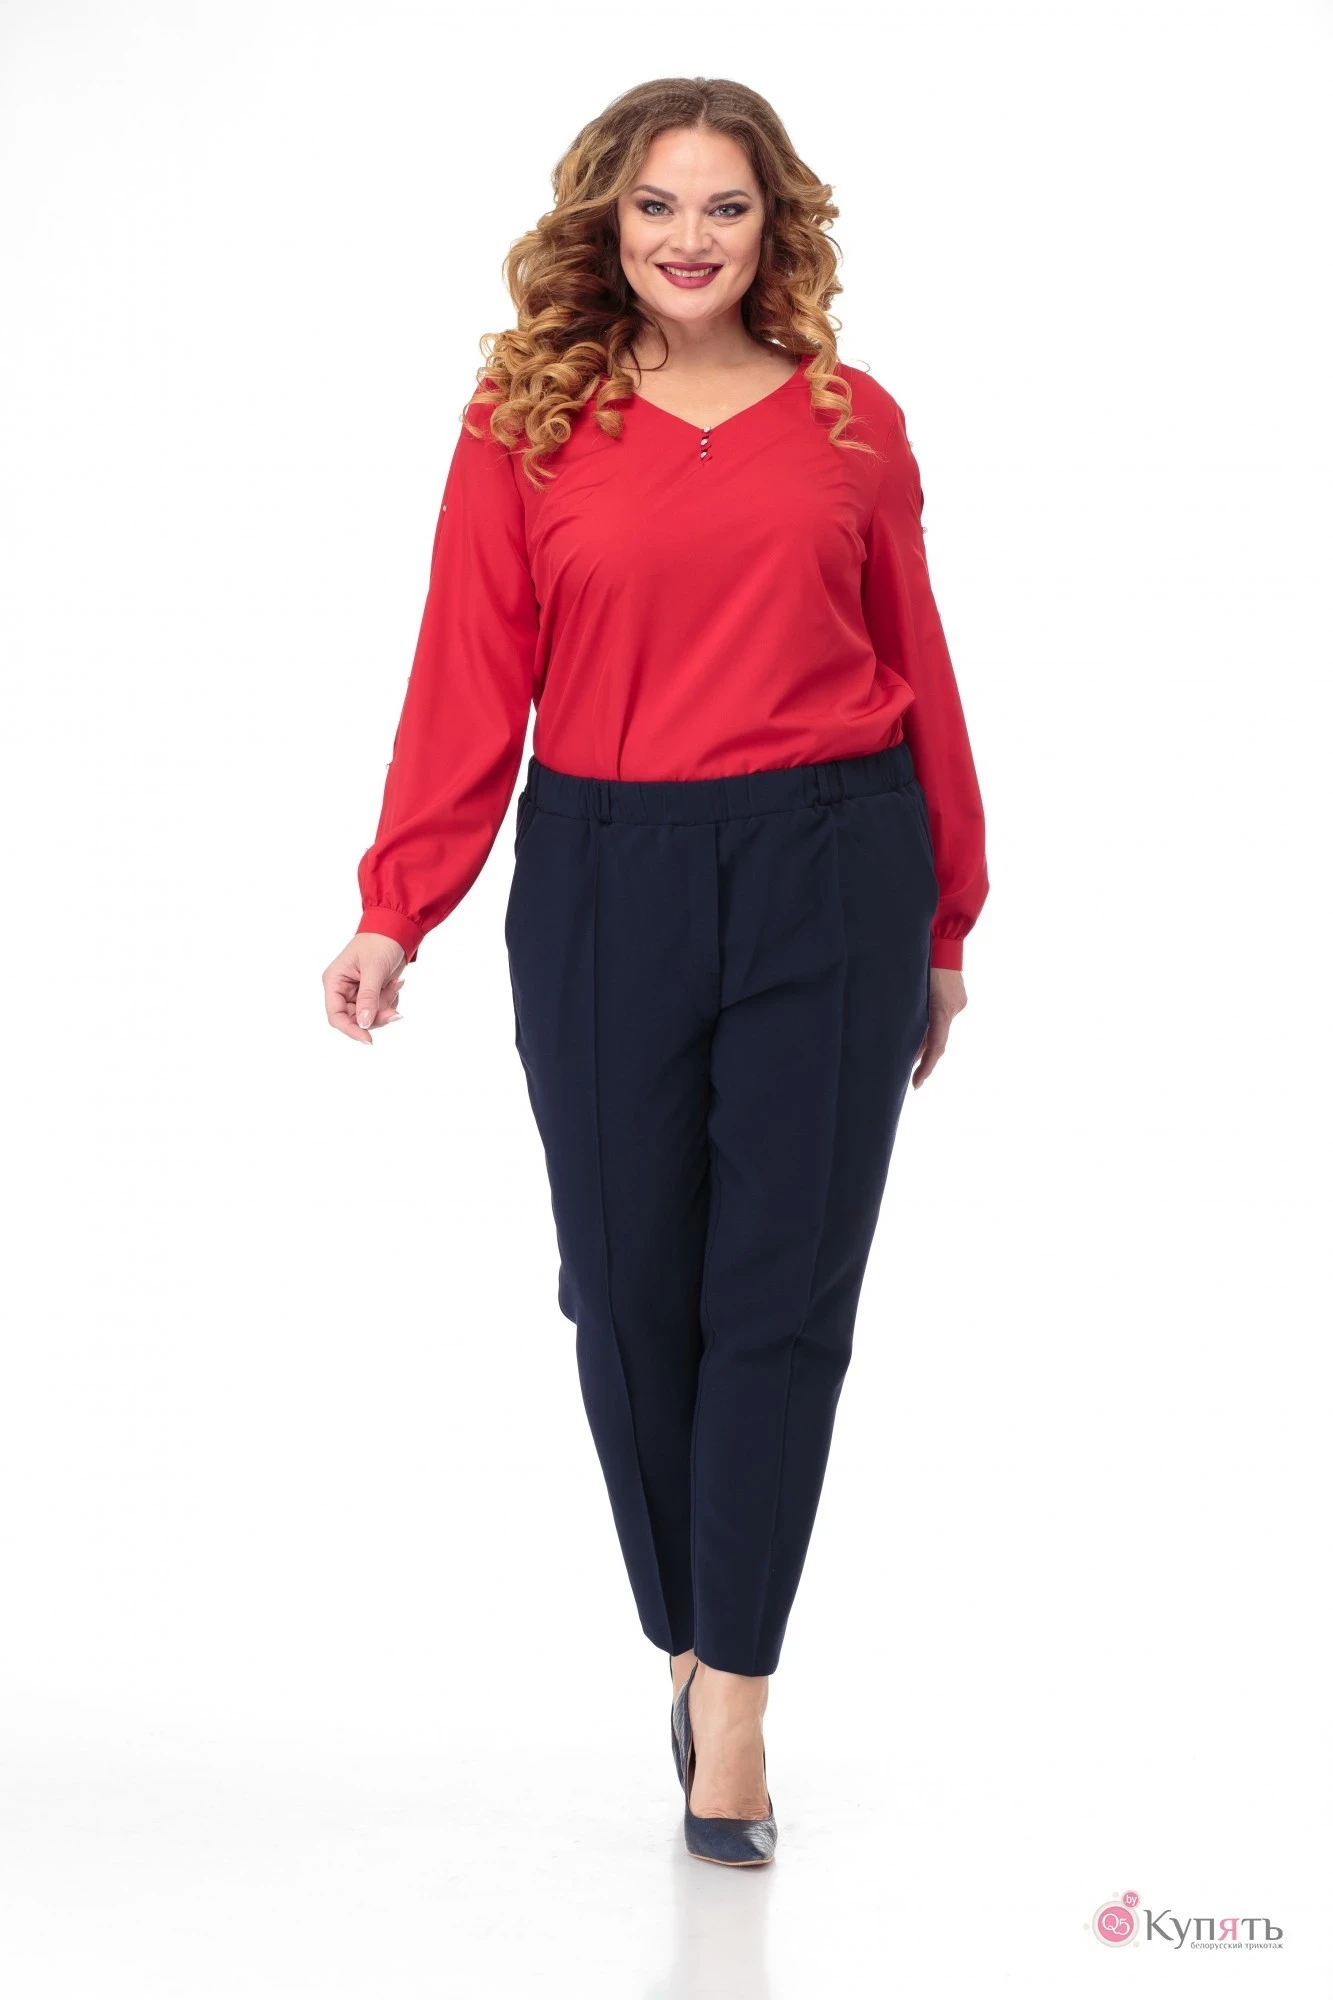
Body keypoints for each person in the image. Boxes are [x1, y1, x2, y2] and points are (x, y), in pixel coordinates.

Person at [321, 76, 989, 1867]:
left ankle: (737, 1705)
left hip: (833, 865)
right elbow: (467, 675)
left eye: (727, 207)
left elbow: (919, 666)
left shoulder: (852, 422)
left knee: (784, 1297)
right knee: (626, 1292)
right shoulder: (527, 423)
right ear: (606, 225)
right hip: (607, 873)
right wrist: (399, 903)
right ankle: (687, 1640)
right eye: (657, 207)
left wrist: (945, 920)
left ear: (777, 229)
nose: (692, 240)